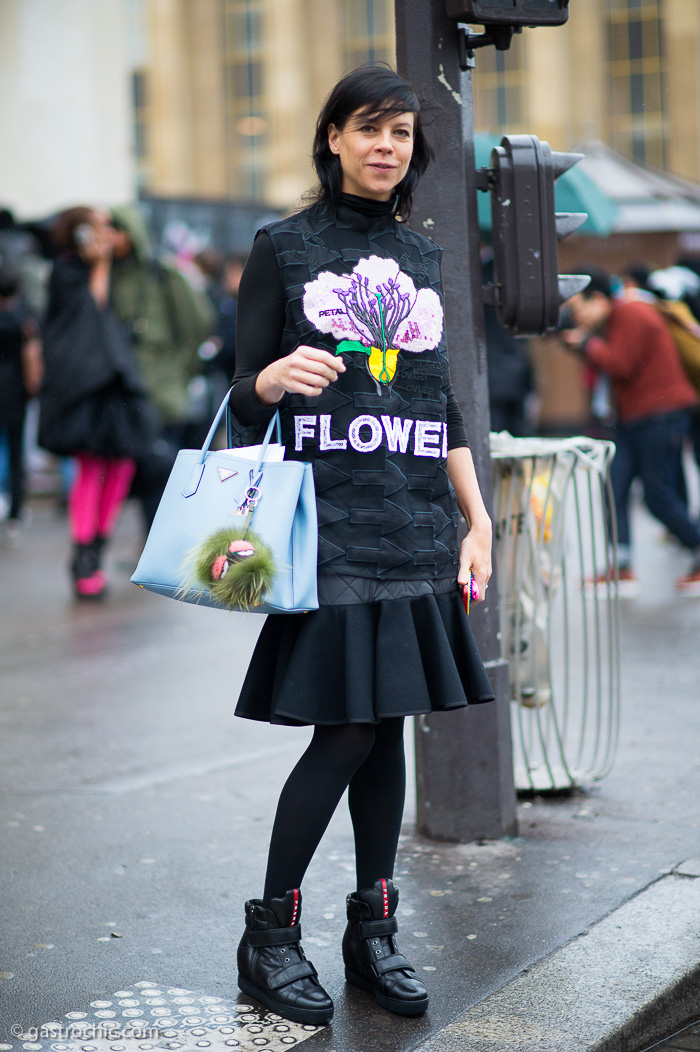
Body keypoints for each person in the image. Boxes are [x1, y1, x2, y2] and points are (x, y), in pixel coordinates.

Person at [229, 65, 495, 1026]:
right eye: (369, 128)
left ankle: (371, 931)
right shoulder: (283, 247)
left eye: (402, 133)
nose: (388, 146)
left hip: (419, 522)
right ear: (333, 137)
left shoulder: (423, 258)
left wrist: (479, 517)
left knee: (386, 730)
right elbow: (233, 385)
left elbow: (442, 402)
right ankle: (270, 934)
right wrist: (270, 378)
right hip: (325, 524)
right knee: (345, 729)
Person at [40, 207, 157, 598]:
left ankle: (96, 547)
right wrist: (100, 264)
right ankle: (84, 557)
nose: (107, 236)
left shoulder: (127, 270)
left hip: (117, 382)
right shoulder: (66, 270)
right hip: (87, 385)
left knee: (121, 466)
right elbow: (90, 309)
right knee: (91, 467)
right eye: (98, 228)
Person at [564, 266, 700, 595]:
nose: (577, 318)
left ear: (597, 300)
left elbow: (621, 364)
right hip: (635, 419)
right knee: (615, 487)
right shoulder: (619, 316)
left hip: (660, 416)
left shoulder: (631, 312)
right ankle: (620, 566)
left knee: (658, 497)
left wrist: (586, 344)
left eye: (578, 309)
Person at [0, 269, 42, 543]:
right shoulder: (24, 321)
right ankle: (15, 512)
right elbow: (33, 358)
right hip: (15, 395)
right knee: (16, 456)